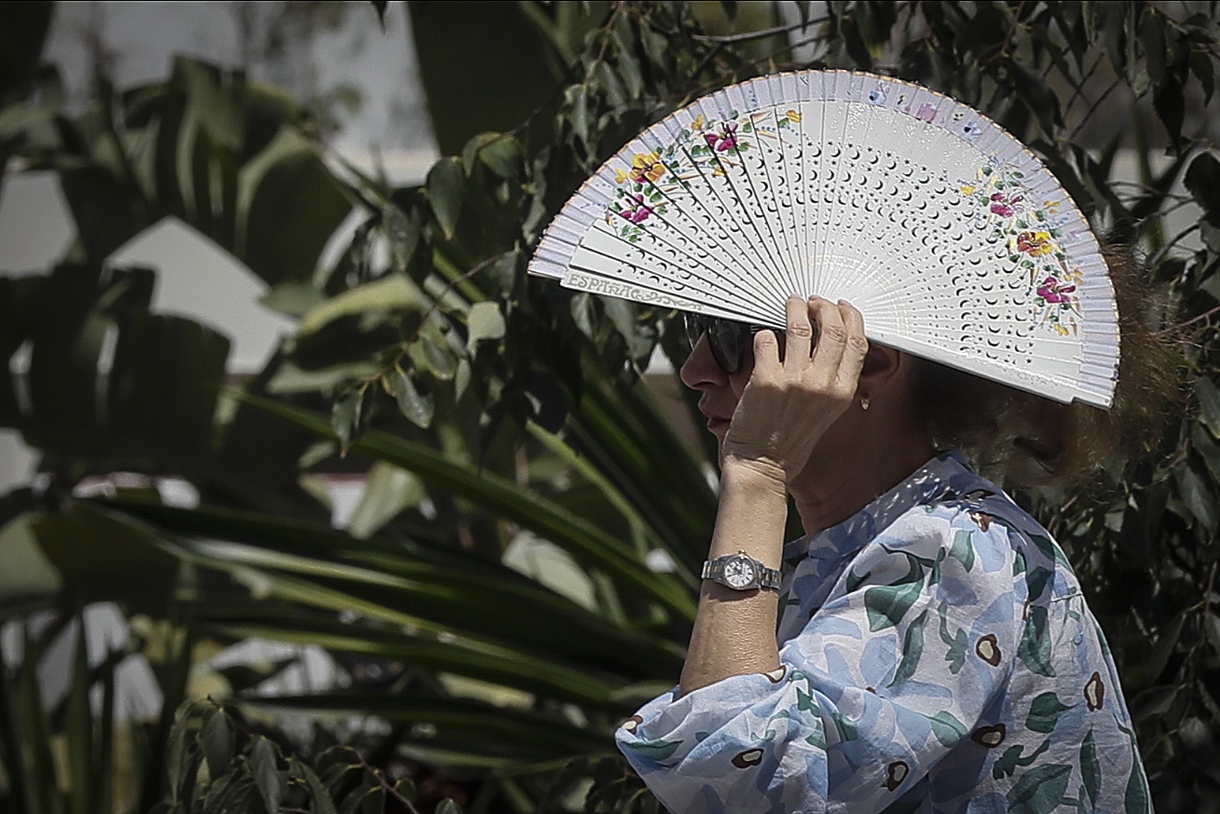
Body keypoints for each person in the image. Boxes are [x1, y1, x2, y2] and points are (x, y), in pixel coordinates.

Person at [614, 287, 1158, 813]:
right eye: (696, 327)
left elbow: (742, 784)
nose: (694, 369)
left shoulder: (954, 548)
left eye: (734, 336)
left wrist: (757, 472)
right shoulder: (864, 549)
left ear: (868, 362)